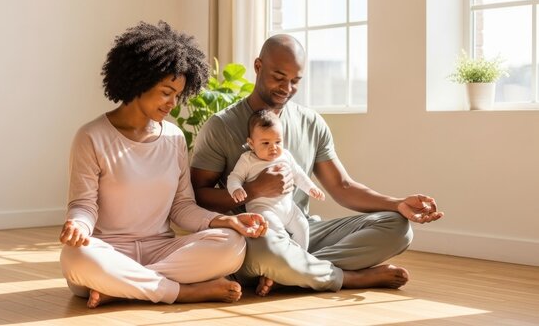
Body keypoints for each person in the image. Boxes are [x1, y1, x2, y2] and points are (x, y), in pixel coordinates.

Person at [190, 34, 444, 297]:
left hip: (303, 231)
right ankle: (345, 277)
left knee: (398, 228)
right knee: (267, 248)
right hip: (255, 234)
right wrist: (254, 190)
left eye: (295, 81)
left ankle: (292, 271)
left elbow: (342, 186)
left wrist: (397, 204)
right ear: (258, 66)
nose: (286, 87)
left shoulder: (311, 123)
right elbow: (197, 196)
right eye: (279, 77)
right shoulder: (220, 126)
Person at [59, 21, 268, 308]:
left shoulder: (173, 137)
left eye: (178, 95)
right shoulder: (91, 136)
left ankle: (123, 287)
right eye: (166, 92)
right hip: (109, 250)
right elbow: (84, 204)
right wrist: (78, 225)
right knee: (76, 258)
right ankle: (183, 292)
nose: (173, 103)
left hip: (163, 250)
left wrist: (225, 220)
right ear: (139, 81)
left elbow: (182, 206)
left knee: (231, 244)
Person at [227, 109, 325, 251]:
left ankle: (302, 254)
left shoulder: (285, 156)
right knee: (277, 233)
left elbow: (298, 174)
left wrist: (311, 188)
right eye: (266, 143)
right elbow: (235, 177)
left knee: (302, 226)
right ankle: (288, 254)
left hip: (288, 208)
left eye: (278, 142)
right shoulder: (248, 159)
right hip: (263, 209)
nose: (273, 148)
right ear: (251, 143)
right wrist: (236, 188)